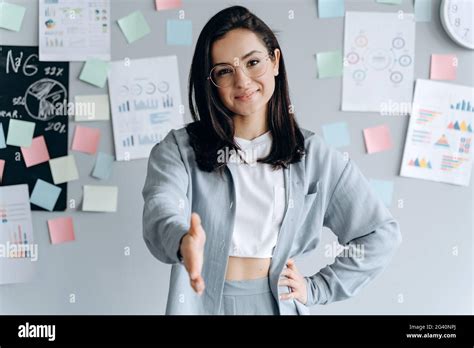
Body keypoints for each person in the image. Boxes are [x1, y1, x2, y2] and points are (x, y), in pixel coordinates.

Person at [142, 5, 402, 315]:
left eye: (253, 62)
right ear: (209, 81)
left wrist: (318, 288)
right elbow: (160, 208)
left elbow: (380, 234)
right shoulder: (177, 150)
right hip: (201, 304)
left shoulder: (314, 155)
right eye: (224, 70)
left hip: (276, 304)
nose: (242, 81)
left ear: (275, 61)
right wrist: (182, 240)